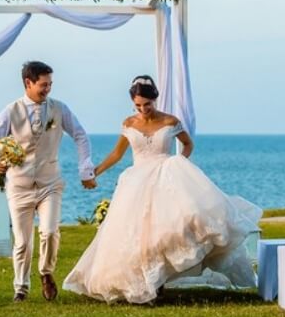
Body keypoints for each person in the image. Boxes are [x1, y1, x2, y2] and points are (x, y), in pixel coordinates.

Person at [63, 75, 259, 304]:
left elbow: (188, 144)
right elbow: (117, 154)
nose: (143, 109)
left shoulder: (170, 121)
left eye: (147, 104)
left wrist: (179, 164)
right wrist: (95, 171)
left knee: (167, 230)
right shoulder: (128, 124)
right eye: (138, 105)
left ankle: (160, 279)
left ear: (155, 99)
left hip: (166, 177)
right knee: (137, 235)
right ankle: (146, 283)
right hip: (136, 181)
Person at [0, 61, 96, 302]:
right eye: (43, 85)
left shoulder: (59, 109)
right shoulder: (10, 111)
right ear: (28, 83)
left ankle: (46, 272)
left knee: (50, 231)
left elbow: (80, 135)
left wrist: (85, 167)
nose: (48, 90)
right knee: (22, 242)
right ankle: (20, 288)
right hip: (19, 185)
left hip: (50, 183)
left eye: (50, 84)